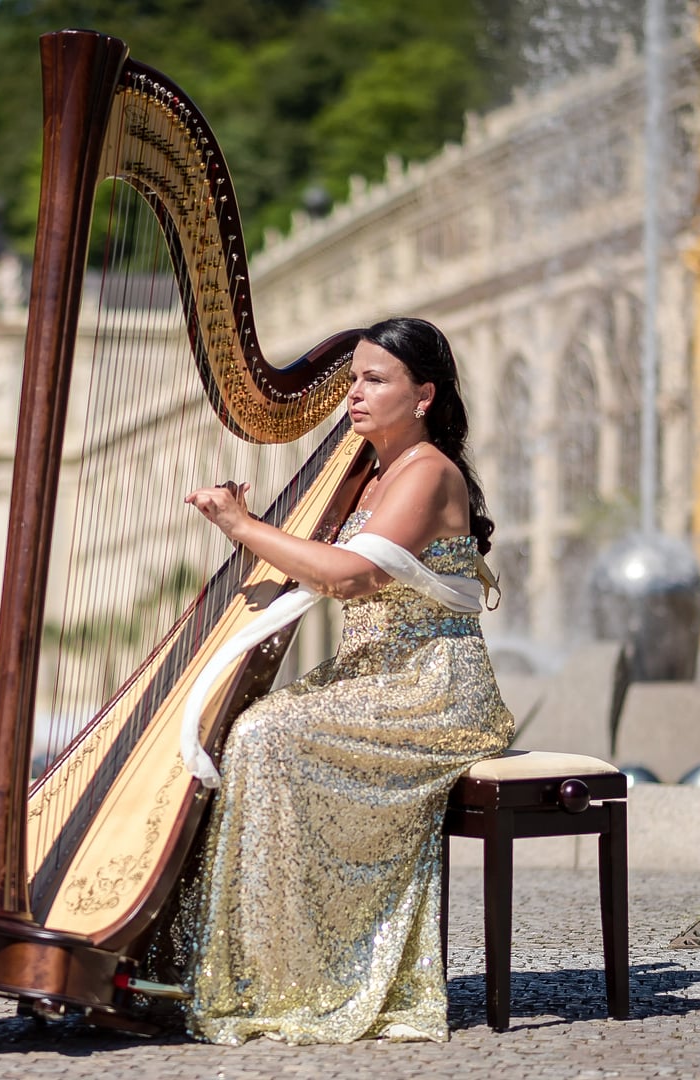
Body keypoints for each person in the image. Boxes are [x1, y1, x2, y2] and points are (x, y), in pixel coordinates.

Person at [178, 316, 515, 1045]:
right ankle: (269, 959)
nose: (354, 395)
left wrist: (242, 525)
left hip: (433, 685)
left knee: (267, 732)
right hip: (376, 676)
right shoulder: (367, 471)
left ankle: (309, 972)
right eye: (353, 380)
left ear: (423, 395)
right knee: (254, 729)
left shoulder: (426, 471)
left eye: (374, 380)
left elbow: (353, 575)